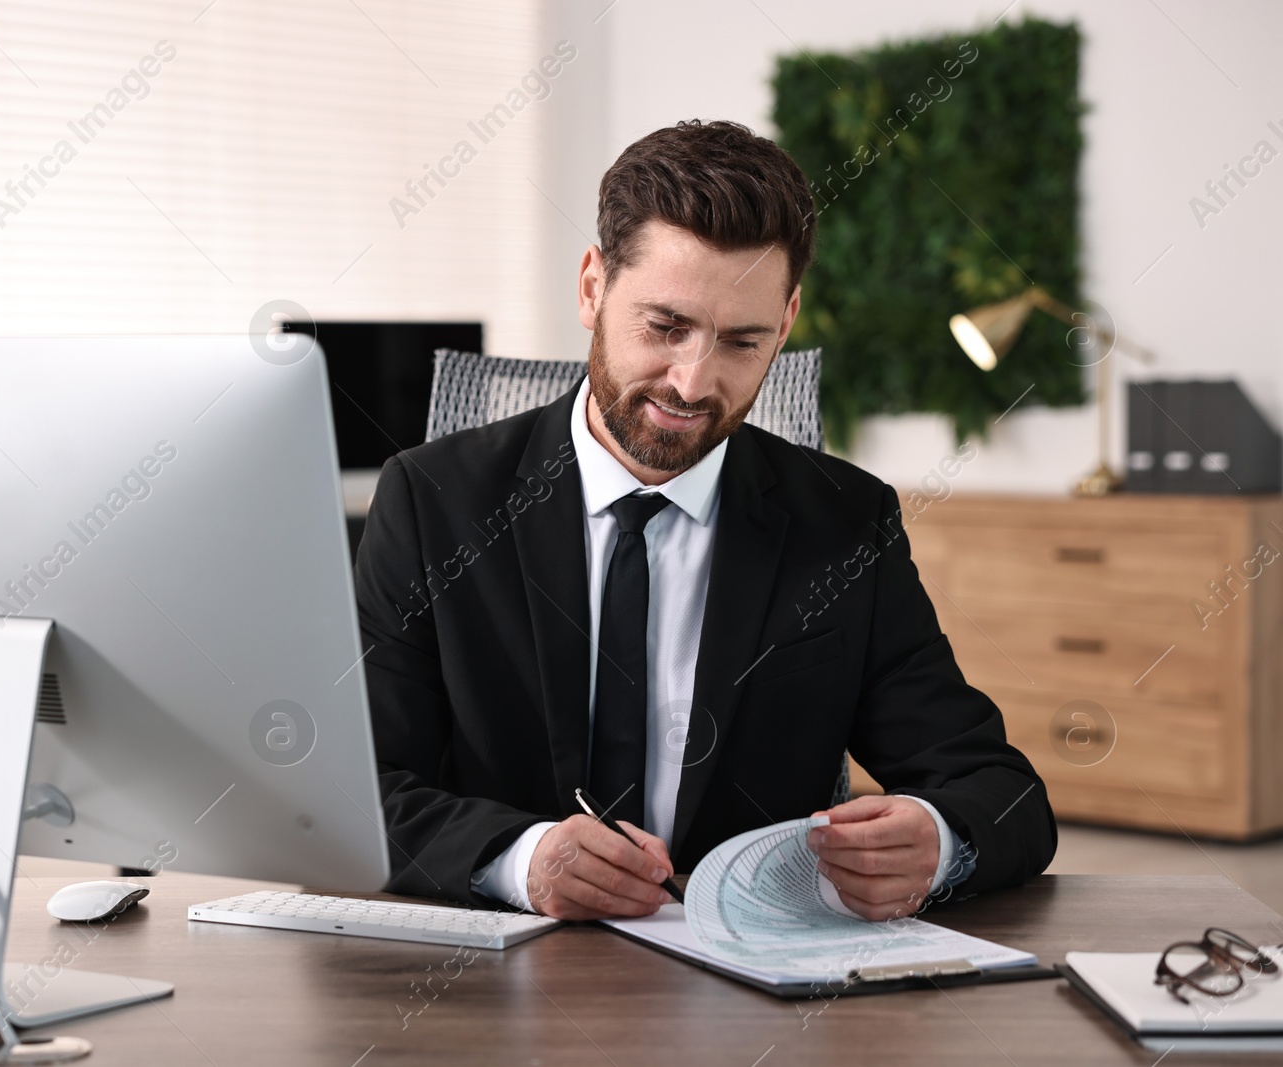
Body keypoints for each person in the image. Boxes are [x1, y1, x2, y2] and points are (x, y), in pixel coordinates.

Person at [355, 119, 1055, 922]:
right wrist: (519, 859)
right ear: (591, 287)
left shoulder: (846, 524)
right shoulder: (430, 500)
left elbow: (1003, 793)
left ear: (786, 323)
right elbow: (363, 787)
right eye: (665, 327)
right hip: (498, 986)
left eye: (742, 341)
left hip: (746, 985)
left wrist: (938, 837)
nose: (692, 382)